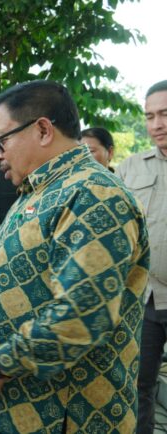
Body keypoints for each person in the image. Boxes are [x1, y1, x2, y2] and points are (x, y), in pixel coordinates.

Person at [0, 80, 149, 434]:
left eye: (0, 140)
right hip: (25, 409)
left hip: (64, 414)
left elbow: (81, 314)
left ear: (42, 129)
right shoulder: (41, 188)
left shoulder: (92, 195)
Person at [119, 79, 167, 434]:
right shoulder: (130, 169)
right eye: (150, 116)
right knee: (139, 386)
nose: (156, 125)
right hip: (146, 299)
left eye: (165, 114)